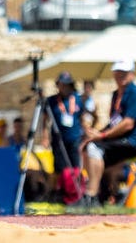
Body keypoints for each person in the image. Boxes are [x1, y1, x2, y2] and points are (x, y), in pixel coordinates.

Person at [77, 58, 136, 208]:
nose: (121, 75)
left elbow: (127, 124)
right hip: (125, 141)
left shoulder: (135, 93)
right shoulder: (116, 95)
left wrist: (102, 136)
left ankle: (91, 195)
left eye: (124, 72)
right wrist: (96, 134)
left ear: (132, 74)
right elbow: (115, 123)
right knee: (89, 148)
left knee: (95, 148)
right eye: (118, 72)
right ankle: (97, 195)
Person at [45, 72, 84, 203]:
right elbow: (45, 120)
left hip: (74, 138)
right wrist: (44, 136)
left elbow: (82, 117)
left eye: (66, 85)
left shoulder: (77, 99)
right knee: (59, 168)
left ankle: (75, 192)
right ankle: (56, 192)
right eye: (61, 85)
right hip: (58, 139)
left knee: (75, 167)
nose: (64, 88)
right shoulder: (51, 101)